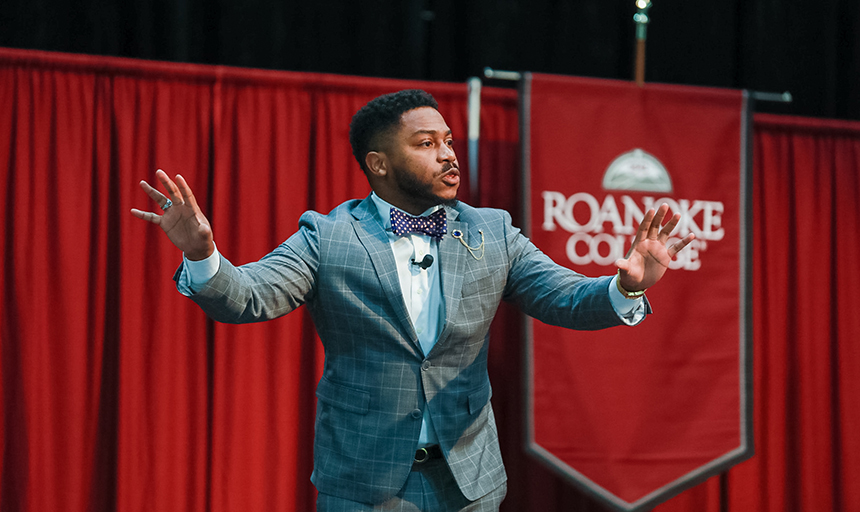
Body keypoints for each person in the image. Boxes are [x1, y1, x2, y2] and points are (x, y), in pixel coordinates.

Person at [131, 89, 694, 511]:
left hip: (469, 484)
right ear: (379, 164)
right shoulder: (328, 236)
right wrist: (205, 255)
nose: (448, 155)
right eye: (426, 145)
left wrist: (627, 286)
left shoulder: (491, 231)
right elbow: (250, 297)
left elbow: (565, 297)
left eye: (449, 141)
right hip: (365, 483)